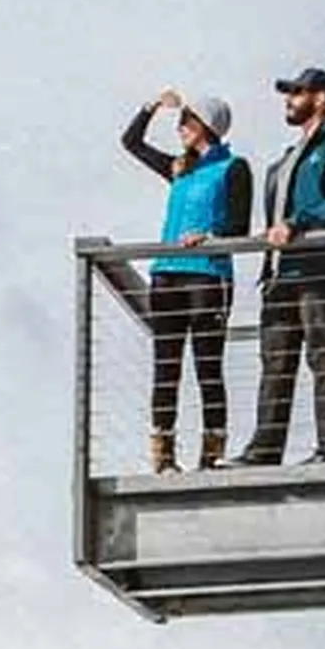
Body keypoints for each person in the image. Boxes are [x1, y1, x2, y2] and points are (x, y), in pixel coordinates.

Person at [242, 66, 325, 465]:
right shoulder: (286, 160)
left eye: (297, 92)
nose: (289, 99)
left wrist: (298, 223)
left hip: (320, 270)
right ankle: (264, 450)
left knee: (324, 352)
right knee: (275, 363)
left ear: (322, 98)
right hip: (281, 273)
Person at [118, 88, 250, 472]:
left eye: (185, 121)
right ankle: (163, 457)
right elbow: (131, 143)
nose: (179, 129)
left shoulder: (233, 168)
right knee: (166, 365)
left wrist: (211, 237)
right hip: (167, 275)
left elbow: (240, 227)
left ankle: (212, 454)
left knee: (207, 365)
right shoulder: (180, 168)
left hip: (208, 275)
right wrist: (152, 106)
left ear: (205, 125)